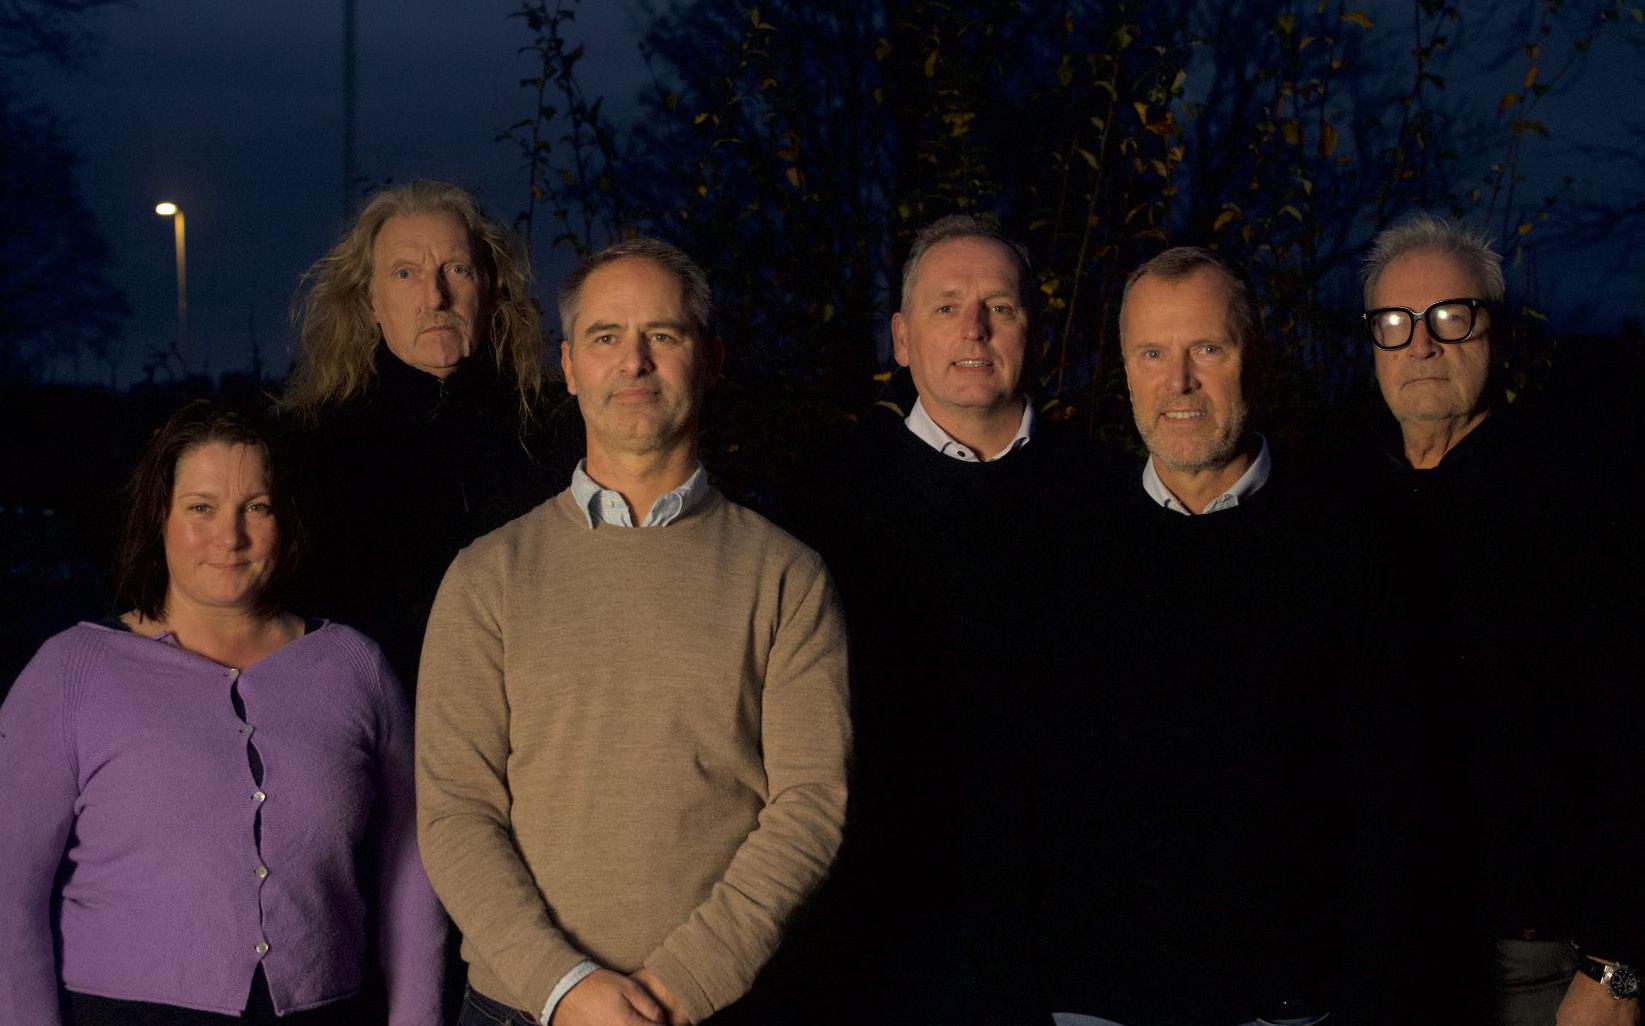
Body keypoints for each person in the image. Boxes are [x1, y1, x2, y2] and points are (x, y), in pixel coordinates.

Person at [415, 238, 850, 1026]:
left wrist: (680, 985)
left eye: (663, 335)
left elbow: (810, 804)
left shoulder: (786, 576)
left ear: (710, 360)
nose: (633, 362)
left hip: (715, 1007)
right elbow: (454, 812)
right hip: (522, 1008)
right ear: (569, 366)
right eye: (605, 336)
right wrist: (564, 986)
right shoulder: (487, 578)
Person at [1034, 247, 1410, 1026]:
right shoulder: (1065, 543)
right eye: (1151, 353)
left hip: (1287, 1003)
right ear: (1123, 368)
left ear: (1257, 357)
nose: (1177, 381)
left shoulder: (1345, 541)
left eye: (1207, 348)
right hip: (1098, 1001)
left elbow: (1391, 797)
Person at [0, 400, 446, 1026]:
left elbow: (413, 867)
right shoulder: (70, 673)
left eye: (256, 507)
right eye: (201, 508)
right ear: (159, 515)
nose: (230, 537)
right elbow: (9, 892)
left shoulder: (356, 668)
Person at [790, 213, 1119, 1026]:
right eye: (946, 307)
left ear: (1034, 334)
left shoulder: (1111, 493)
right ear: (901, 339)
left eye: (999, 307)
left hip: (1076, 920)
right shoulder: (821, 502)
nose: (974, 329)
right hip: (880, 927)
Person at [1362, 213, 1641, 1026]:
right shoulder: (1340, 504)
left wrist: (1616, 964)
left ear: (1497, 333)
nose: (1421, 344)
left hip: (1536, 963)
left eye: (1450, 316)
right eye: (1393, 322)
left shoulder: (1577, 502)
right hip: (1377, 954)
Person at [280, 179, 576, 694]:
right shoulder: (308, 449)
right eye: (405, 274)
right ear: (370, 302)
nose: (435, 298)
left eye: (457, 270)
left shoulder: (559, 431)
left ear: (491, 286)